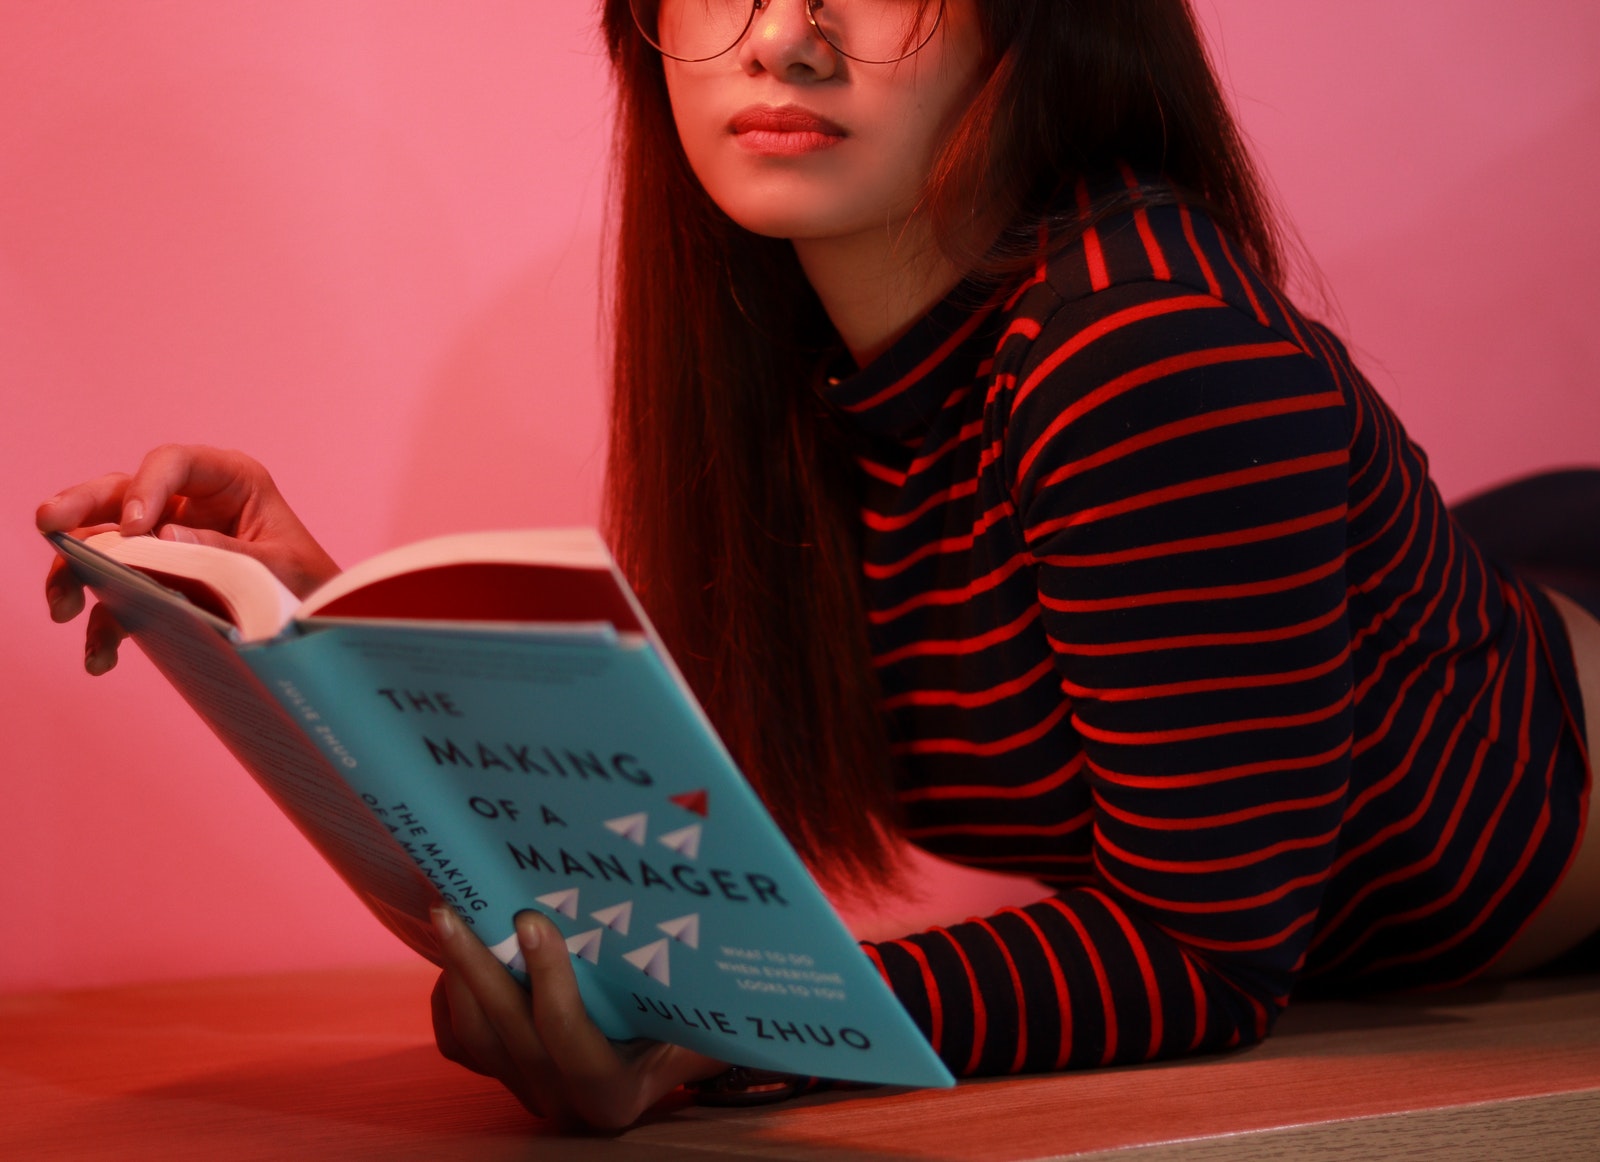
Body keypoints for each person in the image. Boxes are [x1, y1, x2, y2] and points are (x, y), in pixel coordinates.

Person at [36, 0, 1600, 1132]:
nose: (780, 36)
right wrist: (323, 640)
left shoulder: (1143, 348)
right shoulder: (795, 363)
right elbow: (664, 848)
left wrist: (722, 1041)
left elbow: (1203, 951)